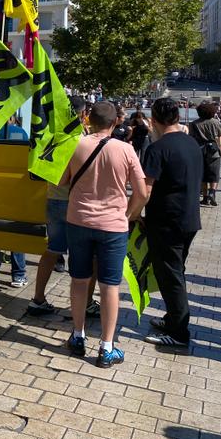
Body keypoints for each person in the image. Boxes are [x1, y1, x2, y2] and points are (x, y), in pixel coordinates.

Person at [62, 101, 148, 368]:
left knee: (79, 279)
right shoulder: (126, 150)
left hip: (78, 221)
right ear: (115, 123)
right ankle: (107, 347)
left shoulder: (75, 145)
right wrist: (129, 214)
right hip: (112, 226)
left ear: (88, 120)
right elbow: (142, 192)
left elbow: (63, 180)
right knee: (109, 286)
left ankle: (78, 336)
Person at [139, 97, 203, 347]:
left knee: (171, 276)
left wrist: (132, 214)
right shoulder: (191, 143)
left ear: (153, 120)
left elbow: (145, 190)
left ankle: (178, 333)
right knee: (175, 272)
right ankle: (172, 318)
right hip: (188, 220)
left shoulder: (158, 148)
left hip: (167, 222)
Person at [28, 96, 100, 316]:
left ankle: (38, 298)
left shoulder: (51, 135)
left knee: (52, 250)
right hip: (76, 200)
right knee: (90, 255)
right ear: (81, 114)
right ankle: (86, 303)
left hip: (54, 198)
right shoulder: (81, 138)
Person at [188, 101, 221, 206]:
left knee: (202, 174)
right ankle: (212, 193)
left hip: (199, 150)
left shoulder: (194, 124)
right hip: (213, 150)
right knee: (214, 173)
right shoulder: (216, 122)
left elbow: (192, 138)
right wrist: (220, 149)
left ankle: (205, 197)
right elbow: (219, 137)